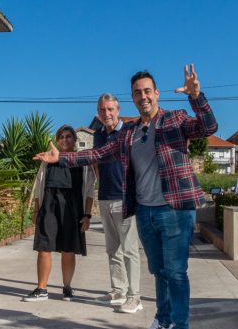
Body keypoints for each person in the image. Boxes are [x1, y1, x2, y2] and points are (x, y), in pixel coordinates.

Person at [35, 65, 217, 329]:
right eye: (137, 93)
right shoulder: (129, 133)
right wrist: (61, 158)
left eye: (147, 91)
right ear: (132, 98)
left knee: (176, 272)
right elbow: (98, 155)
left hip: (175, 209)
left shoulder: (175, 120)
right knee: (159, 270)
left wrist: (196, 97)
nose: (143, 97)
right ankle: (163, 319)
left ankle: (179, 324)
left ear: (156, 93)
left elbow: (209, 126)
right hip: (145, 210)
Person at [23, 125, 95, 302]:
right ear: (57, 140)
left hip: (73, 208)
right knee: (44, 246)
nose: (65, 139)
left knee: (68, 249)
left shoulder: (82, 161)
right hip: (49, 206)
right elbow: (39, 186)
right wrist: (36, 210)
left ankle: (67, 287)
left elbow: (89, 191)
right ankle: (41, 289)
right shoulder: (47, 160)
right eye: (61, 136)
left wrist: (87, 215)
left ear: (74, 140)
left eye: (69, 136)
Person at [93, 93, 142, 313]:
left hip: (124, 198)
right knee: (113, 249)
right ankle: (119, 290)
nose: (107, 113)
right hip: (104, 197)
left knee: (130, 250)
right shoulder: (98, 135)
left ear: (118, 110)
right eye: (103, 110)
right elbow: (96, 163)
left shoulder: (129, 132)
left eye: (110, 109)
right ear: (98, 112)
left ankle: (135, 297)